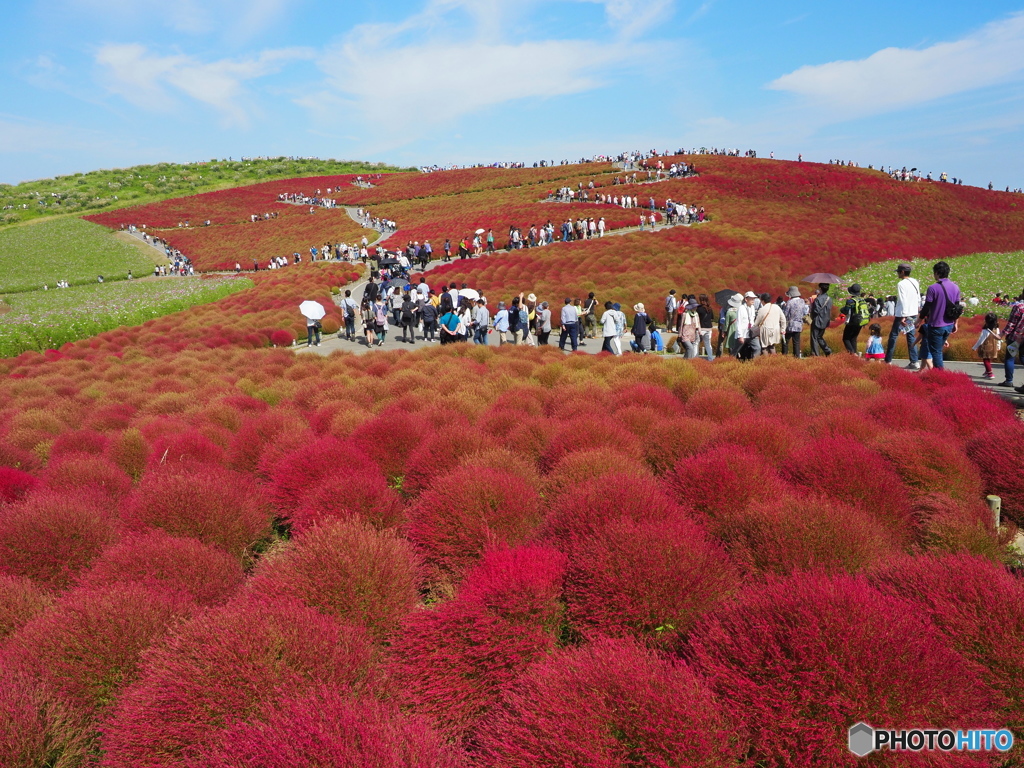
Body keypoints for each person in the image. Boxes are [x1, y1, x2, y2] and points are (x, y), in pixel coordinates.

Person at [917, 261, 962, 370]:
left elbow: (927, 306)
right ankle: (938, 374)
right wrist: (956, 323)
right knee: (938, 350)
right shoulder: (955, 287)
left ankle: (940, 375)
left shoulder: (933, 288)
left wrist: (919, 320)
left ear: (937, 273)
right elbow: (957, 307)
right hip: (949, 324)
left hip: (936, 324)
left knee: (935, 352)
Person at [885, 264, 921, 369]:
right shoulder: (915, 281)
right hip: (913, 313)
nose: (897, 274)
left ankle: (888, 361)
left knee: (893, 336)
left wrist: (903, 316)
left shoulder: (901, 284)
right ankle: (914, 361)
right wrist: (916, 311)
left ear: (902, 272)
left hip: (902, 314)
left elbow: (903, 299)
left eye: (898, 272)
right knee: (911, 337)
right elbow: (918, 297)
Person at [999, 291, 1024, 388]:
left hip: (1015, 337)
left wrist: (1002, 334)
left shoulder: (1019, 307)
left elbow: (1011, 323)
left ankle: (1009, 381)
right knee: (1022, 357)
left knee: (1010, 358)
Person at [841, 284, 869, 355]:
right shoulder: (862, 300)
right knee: (853, 339)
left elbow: (846, 311)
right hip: (860, 322)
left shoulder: (850, 301)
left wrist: (841, 309)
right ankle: (855, 354)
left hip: (852, 322)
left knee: (846, 338)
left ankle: (852, 354)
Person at [973, 313, 1002, 379]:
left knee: (986, 360)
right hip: (994, 347)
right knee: (989, 359)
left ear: (986, 321)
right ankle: (987, 371)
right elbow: (999, 339)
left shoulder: (985, 330)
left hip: (986, 347)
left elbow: (981, 340)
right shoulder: (996, 329)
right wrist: (999, 346)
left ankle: (990, 373)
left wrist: (975, 347)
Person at [782, 286, 807, 357]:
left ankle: (784, 355)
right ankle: (796, 356)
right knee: (796, 342)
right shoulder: (802, 301)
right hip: (799, 324)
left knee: (785, 341)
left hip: (790, 325)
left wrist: (784, 307)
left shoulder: (789, 302)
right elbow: (804, 312)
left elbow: (785, 314)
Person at [809, 284, 833, 356]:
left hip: (817, 320)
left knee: (814, 338)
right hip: (825, 321)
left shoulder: (818, 299)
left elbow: (816, 311)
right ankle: (827, 350)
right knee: (820, 337)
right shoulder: (829, 298)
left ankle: (816, 354)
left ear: (820, 289)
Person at [735, 291, 759, 359]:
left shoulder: (752, 308)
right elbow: (738, 323)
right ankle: (730, 363)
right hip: (742, 333)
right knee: (736, 351)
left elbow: (752, 320)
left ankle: (754, 363)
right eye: (751, 298)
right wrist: (740, 336)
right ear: (746, 299)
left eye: (754, 299)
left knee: (757, 348)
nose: (753, 300)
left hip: (750, 333)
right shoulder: (741, 308)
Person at [696, 294, 715, 361]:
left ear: (701, 300)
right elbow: (712, 318)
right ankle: (710, 358)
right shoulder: (710, 308)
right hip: (709, 328)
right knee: (708, 344)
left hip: (701, 329)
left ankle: (696, 358)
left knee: (697, 343)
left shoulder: (699, 309)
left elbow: (696, 319)